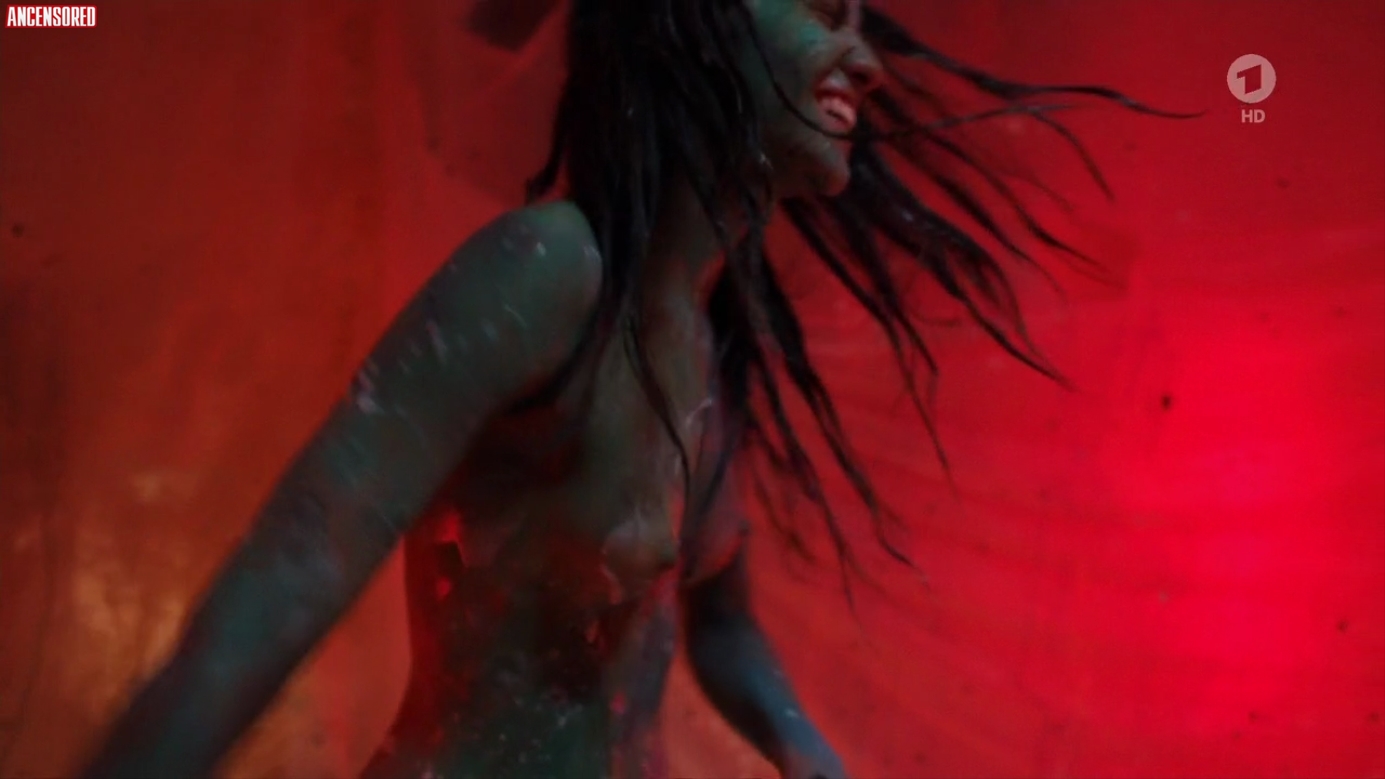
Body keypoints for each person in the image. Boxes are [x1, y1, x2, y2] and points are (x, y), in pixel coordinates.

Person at [80, 1, 1175, 777]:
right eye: (817, 6)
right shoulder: (549, 272)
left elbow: (721, 627)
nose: (865, 59)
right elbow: (300, 559)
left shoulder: (708, 339)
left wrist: (807, 749)